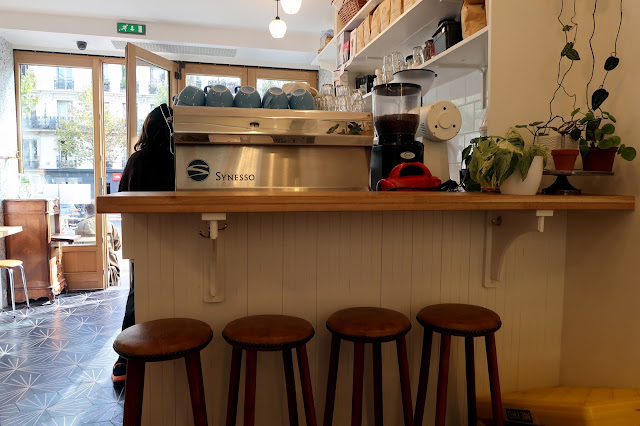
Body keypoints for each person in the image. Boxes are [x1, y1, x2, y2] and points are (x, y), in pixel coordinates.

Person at [112, 103, 175, 384]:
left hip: (143, 237)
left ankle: (126, 359)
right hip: (177, 236)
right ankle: (164, 349)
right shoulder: (179, 160)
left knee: (138, 294)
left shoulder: (137, 160)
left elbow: (122, 197)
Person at [75, 203, 122, 286]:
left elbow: (77, 246)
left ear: (86, 211)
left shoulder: (80, 225)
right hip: (109, 263)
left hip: (87, 265)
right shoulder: (109, 224)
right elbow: (117, 246)